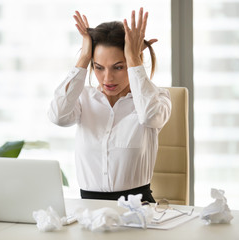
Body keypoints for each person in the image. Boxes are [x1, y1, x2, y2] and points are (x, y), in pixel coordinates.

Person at [48, 8, 171, 202]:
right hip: (89, 212)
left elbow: (149, 116)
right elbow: (58, 116)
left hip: (138, 211)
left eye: (119, 67)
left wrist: (134, 61)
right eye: (98, 67)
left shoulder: (157, 99)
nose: (108, 78)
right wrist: (83, 57)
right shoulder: (83, 98)